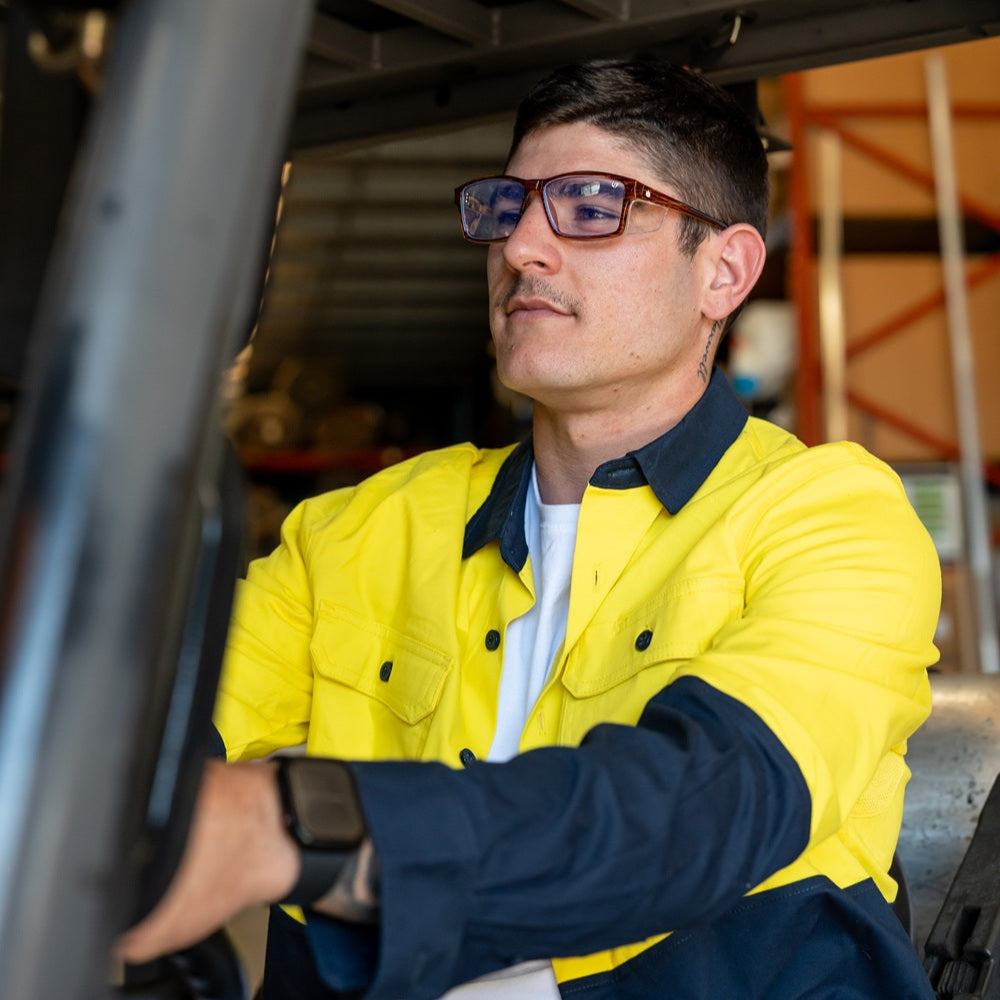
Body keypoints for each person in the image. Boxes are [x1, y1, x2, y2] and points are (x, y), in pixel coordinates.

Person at [119, 57, 942, 1000]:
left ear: (724, 271)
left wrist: (296, 827)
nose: (522, 249)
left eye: (592, 206)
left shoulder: (829, 515)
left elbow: (712, 802)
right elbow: (145, 734)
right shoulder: (359, 531)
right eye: (509, 209)